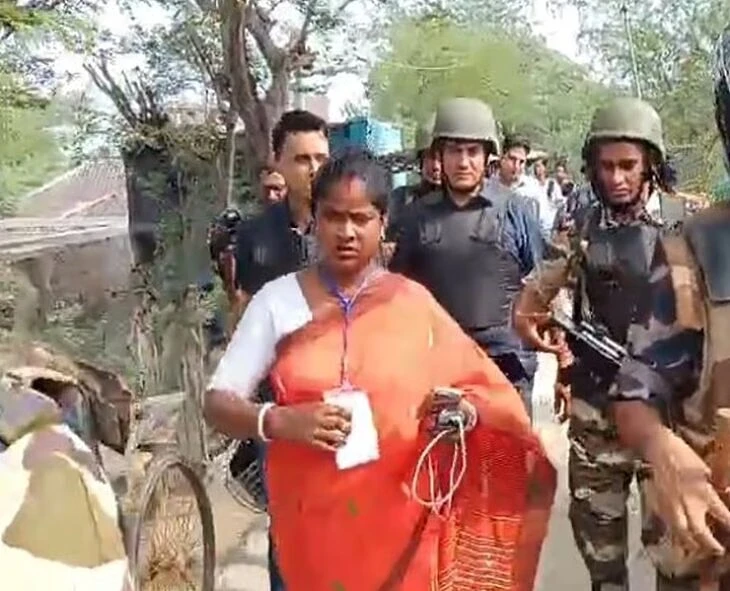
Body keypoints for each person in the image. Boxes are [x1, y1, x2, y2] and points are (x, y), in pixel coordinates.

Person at [204, 148, 556, 590]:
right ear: (314, 220)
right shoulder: (277, 302)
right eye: (333, 217)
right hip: (311, 531)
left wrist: (462, 415)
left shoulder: (412, 303)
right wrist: (276, 420)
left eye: (361, 218)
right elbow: (216, 403)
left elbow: (481, 393)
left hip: (404, 529)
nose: (346, 232)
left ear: (383, 222)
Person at [511, 96, 713, 591]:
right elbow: (529, 304)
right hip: (596, 414)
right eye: (606, 166)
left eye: (628, 165)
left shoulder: (688, 223)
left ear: (651, 164)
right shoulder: (580, 227)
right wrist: (554, 345)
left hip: (668, 420)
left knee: (680, 561)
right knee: (602, 557)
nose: (617, 178)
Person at [390, 97, 543, 420]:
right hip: (438, 368)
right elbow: (399, 292)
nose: (463, 162)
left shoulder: (516, 211)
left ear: (488, 156)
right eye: (454, 151)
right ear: (439, 156)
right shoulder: (415, 217)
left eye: (472, 151)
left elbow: (541, 283)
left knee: (509, 451)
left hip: (505, 366)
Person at [229, 108, 329, 591]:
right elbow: (246, 315)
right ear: (278, 163)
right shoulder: (255, 236)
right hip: (280, 404)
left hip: (343, 398)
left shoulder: (351, 225)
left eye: (321, 158)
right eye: (302, 159)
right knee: (287, 524)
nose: (313, 169)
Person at [386, 112, 441, 238]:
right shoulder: (401, 199)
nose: (436, 166)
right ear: (421, 160)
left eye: (442, 158)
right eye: (431, 157)